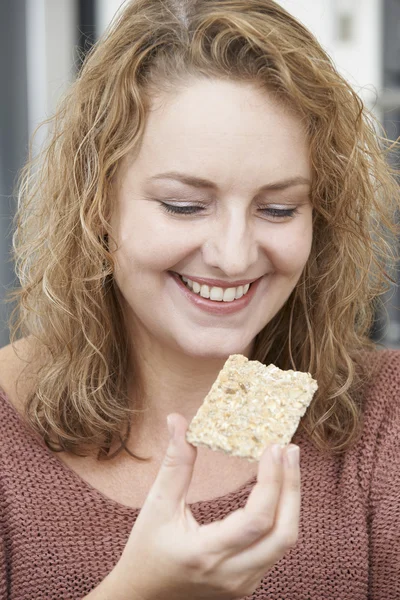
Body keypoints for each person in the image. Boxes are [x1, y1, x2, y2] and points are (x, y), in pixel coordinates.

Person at [0, 0, 399, 598]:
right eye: (185, 205)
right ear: (98, 208)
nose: (234, 256)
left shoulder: (386, 419)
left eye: (278, 208)